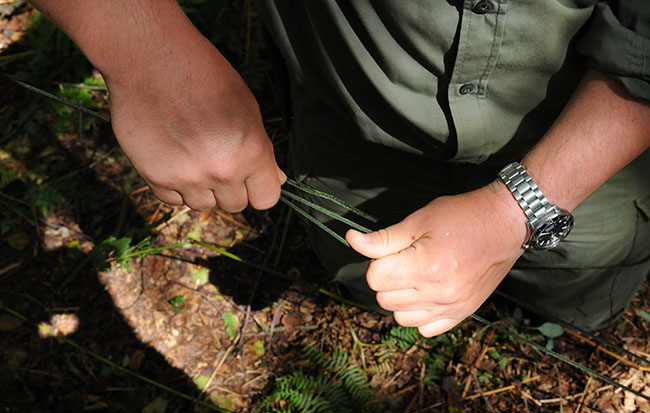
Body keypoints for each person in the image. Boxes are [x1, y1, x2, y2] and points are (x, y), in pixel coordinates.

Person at [30, 0, 650, 335]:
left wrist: (516, 211)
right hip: (349, 124)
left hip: (593, 149)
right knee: (370, 277)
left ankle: (549, 322)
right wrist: (145, 51)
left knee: (577, 287)